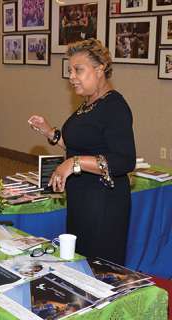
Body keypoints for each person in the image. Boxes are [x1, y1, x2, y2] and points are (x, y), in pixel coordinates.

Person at [28, 39, 136, 265]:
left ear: (100, 70)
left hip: (104, 202)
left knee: (100, 268)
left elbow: (124, 160)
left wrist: (74, 163)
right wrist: (50, 132)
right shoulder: (89, 103)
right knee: (80, 262)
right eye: (70, 70)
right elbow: (80, 145)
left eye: (78, 70)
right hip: (82, 198)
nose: (71, 77)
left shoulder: (114, 106)